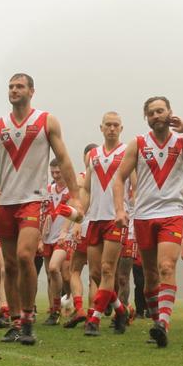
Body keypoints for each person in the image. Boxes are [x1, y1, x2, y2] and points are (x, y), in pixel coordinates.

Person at [0, 73, 82, 346]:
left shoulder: (46, 120)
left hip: (33, 199)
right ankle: (15, 322)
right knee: (9, 266)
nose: (14, 90)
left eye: (20, 86)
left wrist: (75, 196)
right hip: (6, 201)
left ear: (32, 91)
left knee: (25, 256)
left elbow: (63, 159)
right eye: (11, 87)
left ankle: (27, 321)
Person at [113, 96, 183, 347]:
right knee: (150, 276)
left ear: (170, 113)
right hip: (143, 216)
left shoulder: (181, 142)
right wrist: (120, 209)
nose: (156, 116)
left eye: (161, 111)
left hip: (171, 213)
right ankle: (156, 321)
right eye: (151, 113)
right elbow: (119, 178)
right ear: (146, 118)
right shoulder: (138, 143)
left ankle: (163, 324)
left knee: (166, 267)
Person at [82, 112, 132, 336]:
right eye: (108, 125)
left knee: (107, 268)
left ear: (121, 129)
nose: (112, 129)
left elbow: (137, 186)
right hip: (94, 218)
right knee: (94, 273)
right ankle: (120, 310)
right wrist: (80, 213)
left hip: (116, 219)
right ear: (101, 128)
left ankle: (94, 319)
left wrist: (130, 212)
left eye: (116, 125)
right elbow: (86, 187)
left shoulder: (128, 151)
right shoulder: (92, 154)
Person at [64, 144, 99, 328]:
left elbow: (76, 205)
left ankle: (80, 309)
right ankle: (93, 313)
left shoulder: (82, 178)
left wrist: (70, 226)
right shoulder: (106, 178)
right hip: (100, 226)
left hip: (84, 226)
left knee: (75, 270)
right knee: (96, 275)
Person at [40, 159, 73, 325]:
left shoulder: (73, 190)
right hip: (47, 238)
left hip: (65, 237)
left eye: (58, 172)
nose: (55, 175)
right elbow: (41, 213)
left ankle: (70, 301)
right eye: (52, 172)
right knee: (50, 275)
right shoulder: (47, 190)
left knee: (59, 271)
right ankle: (54, 311)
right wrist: (40, 237)